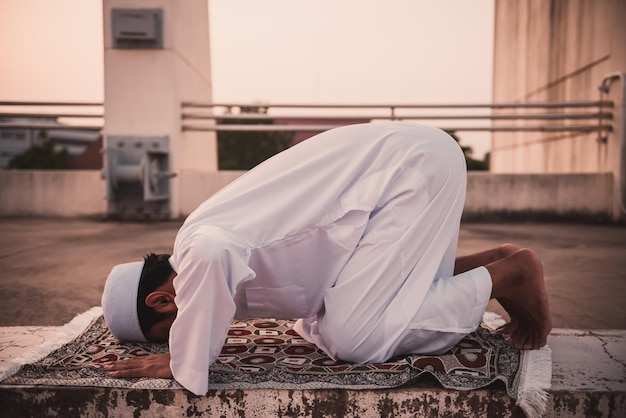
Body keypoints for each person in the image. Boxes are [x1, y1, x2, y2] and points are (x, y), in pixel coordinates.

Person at [101, 122, 551, 396]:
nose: (177, 335)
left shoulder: (196, 247)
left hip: (403, 170)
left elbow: (211, 255)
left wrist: (184, 360)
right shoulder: (201, 236)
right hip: (396, 174)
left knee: (356, 337)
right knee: (332, 321)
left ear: (164, 300)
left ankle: (508, 276)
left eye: (170, 333)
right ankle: (491, 265)